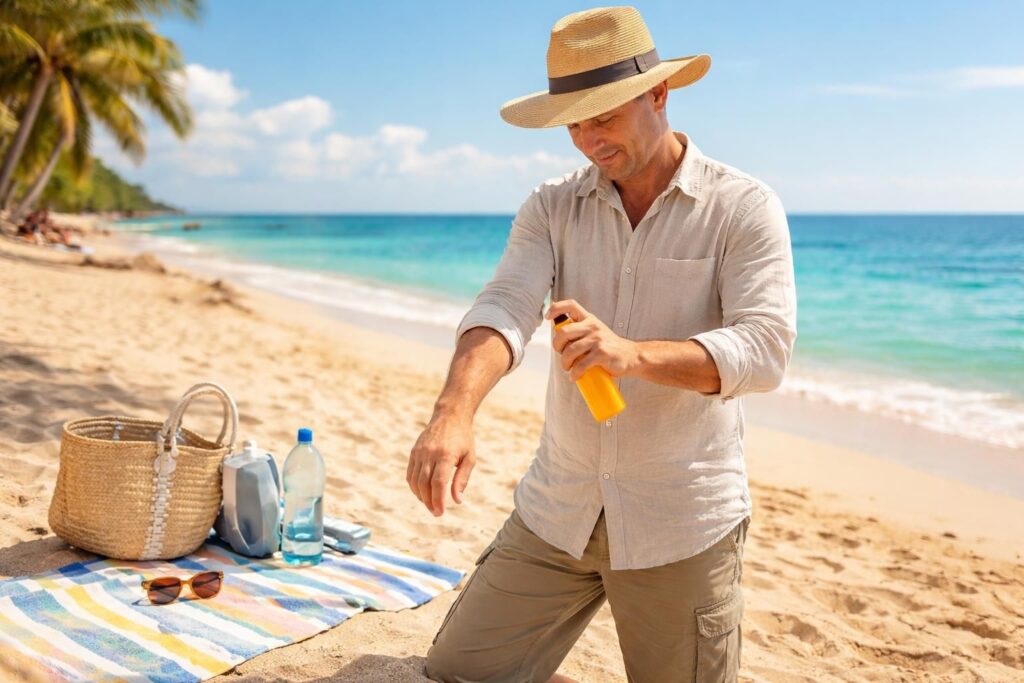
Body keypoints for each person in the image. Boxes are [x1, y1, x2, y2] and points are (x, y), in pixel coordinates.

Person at [406, 6, 797, 682]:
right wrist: (453, 411)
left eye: (604, 116)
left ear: (657, 95)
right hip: (558, 509)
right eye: (576, 123)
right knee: (455, 671)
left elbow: (763, 351)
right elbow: (506, 304)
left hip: (680, 521)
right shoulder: (550, 207)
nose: (589, 138)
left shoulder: (743, 206)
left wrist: (631, 354)